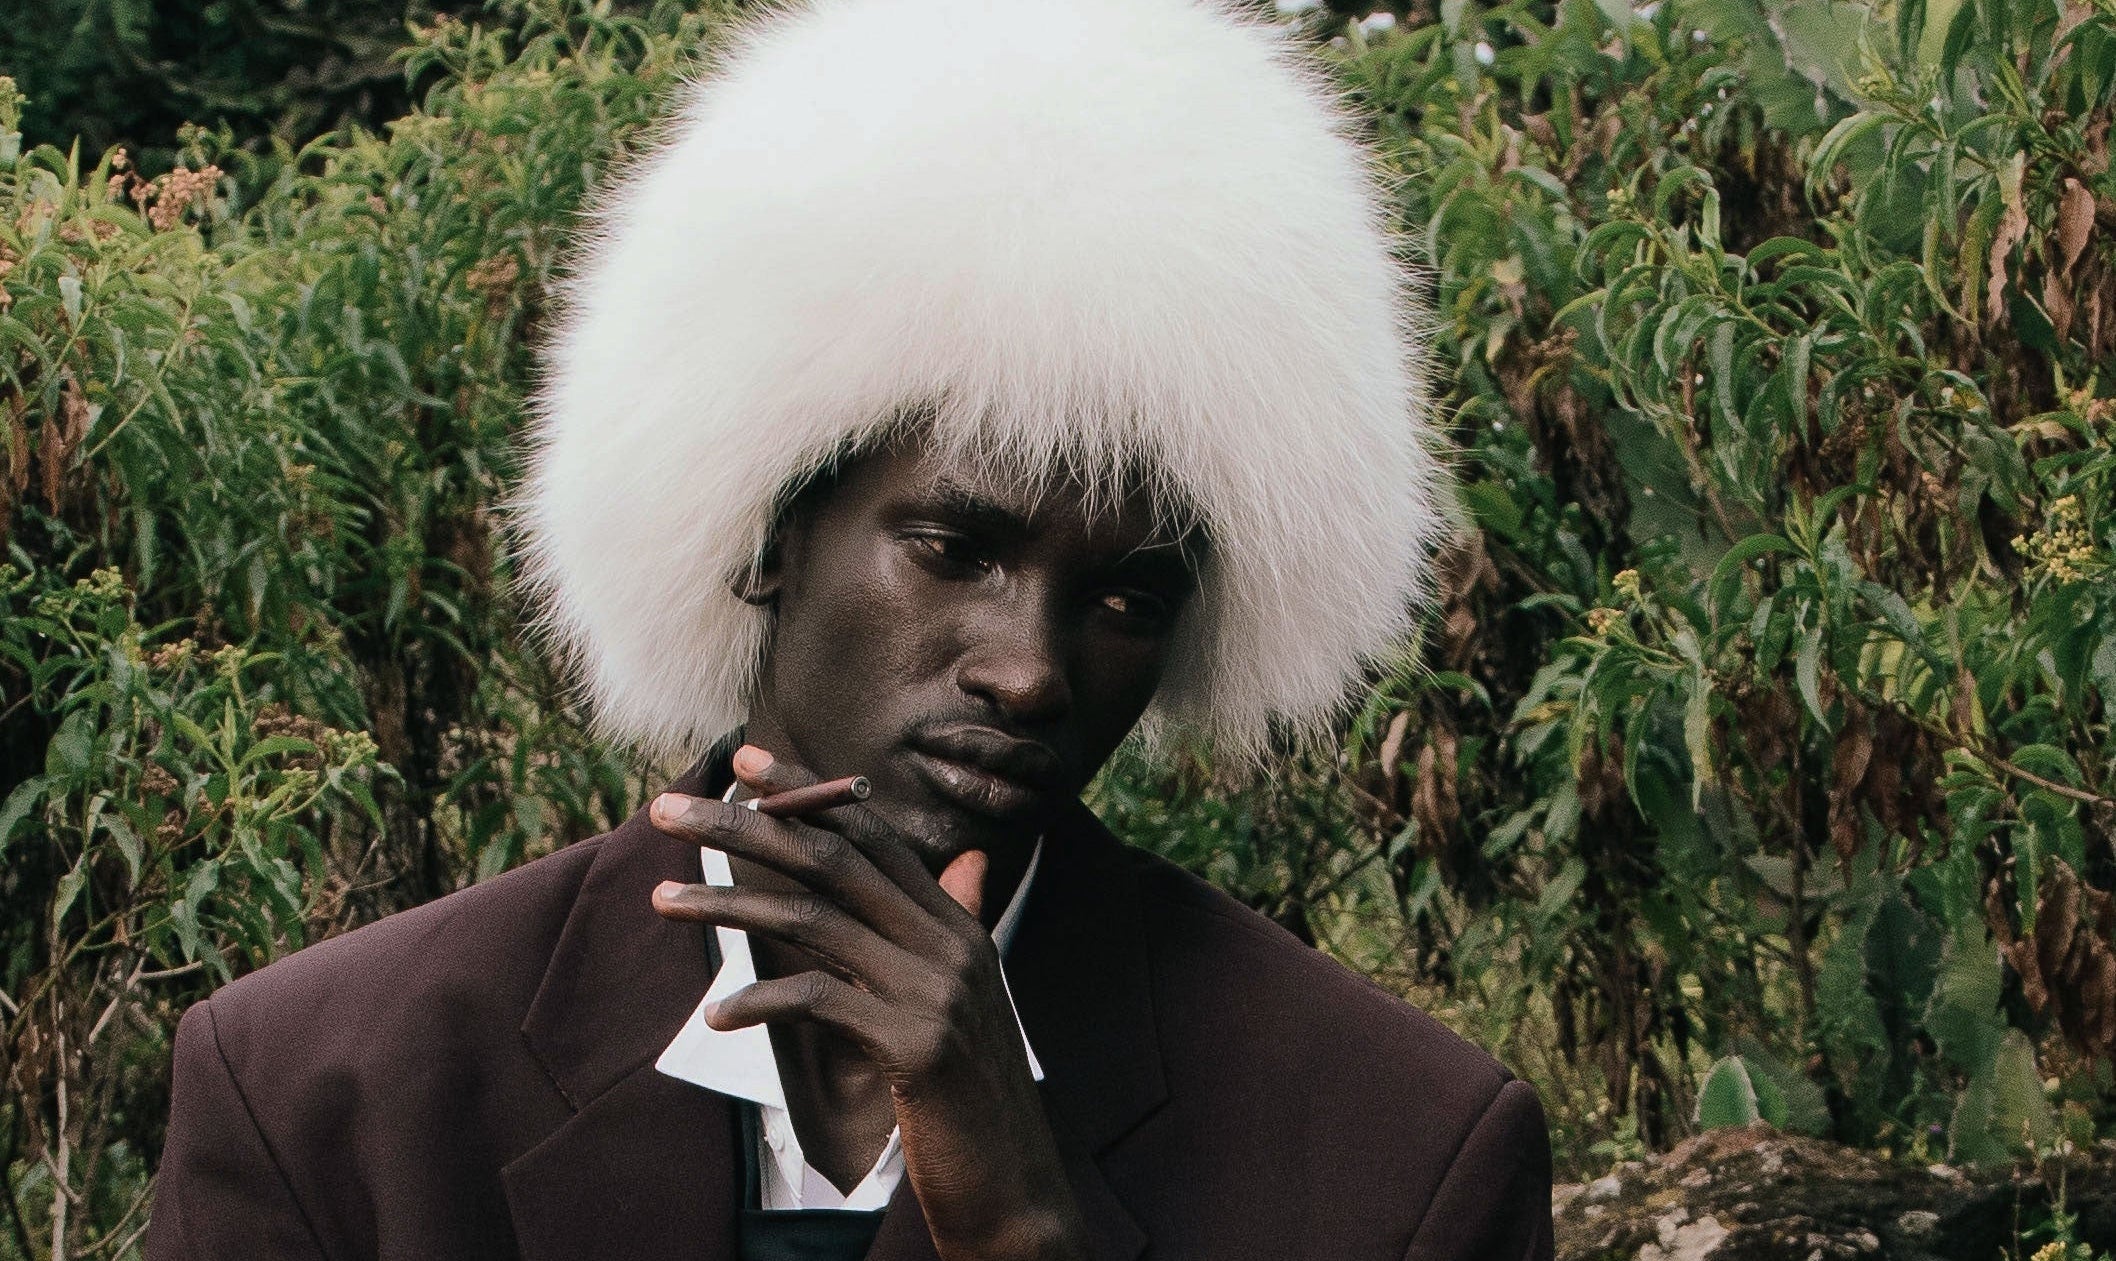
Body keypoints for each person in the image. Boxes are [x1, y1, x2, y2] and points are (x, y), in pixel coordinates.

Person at [145, 0, 1556, 1257]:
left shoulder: (1401, 1154)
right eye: (954, 548)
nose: (1031, 669)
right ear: (766, 535)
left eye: (1130, 598)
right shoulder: (324, 1093)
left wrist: (1016, 1224)